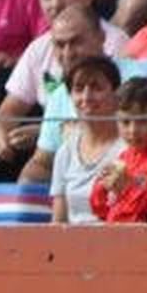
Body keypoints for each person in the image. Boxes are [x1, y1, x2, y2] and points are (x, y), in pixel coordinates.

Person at [0, 0, 128, 171]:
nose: (56, 3)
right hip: (54, 152)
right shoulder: (38, 48)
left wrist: (44, 131)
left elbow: (120, 124)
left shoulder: (116, 43)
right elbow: (8, 111)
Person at [90, 75, 147, 222]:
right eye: (125, 122)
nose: (133, 130)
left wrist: (127, 189)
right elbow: (102, 211)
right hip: (117, 237)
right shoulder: (124, 157)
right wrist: (102, 188)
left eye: (142, 122)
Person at [50, 54, 123, 224]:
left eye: (96, 88)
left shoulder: (128, 148)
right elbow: (58, 223)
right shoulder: (65, 152)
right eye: (78, 89)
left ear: (116, 94)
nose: (86, 97)